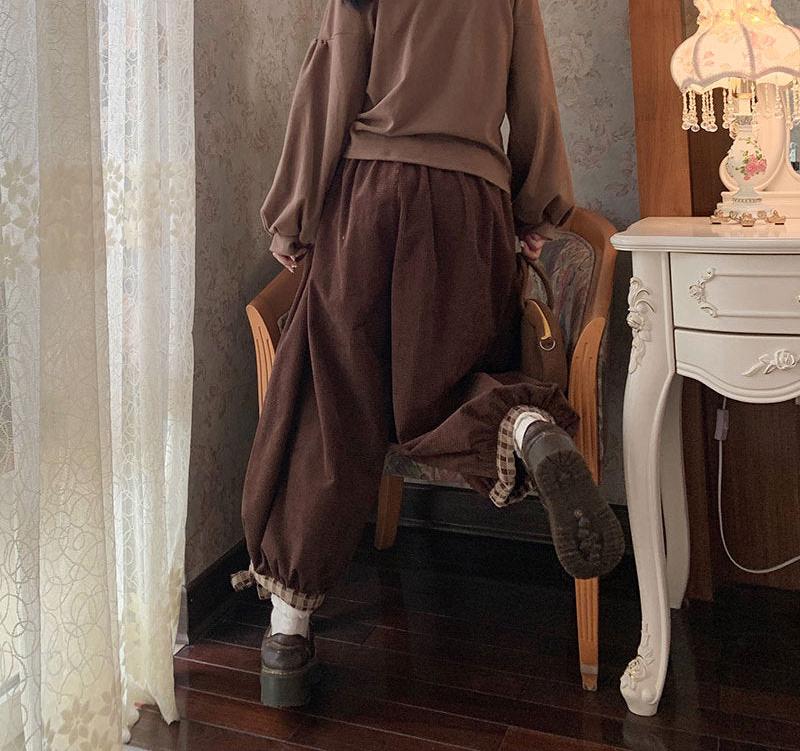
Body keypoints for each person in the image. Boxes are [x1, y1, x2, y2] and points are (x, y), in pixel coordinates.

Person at [232, 0, 624, 708]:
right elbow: (532, 90)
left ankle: (288, 632)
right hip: (472, 203)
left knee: (328, 392)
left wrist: (291, 214)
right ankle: (523, 424)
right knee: (447, 380)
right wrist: (534, 207)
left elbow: (333, 79)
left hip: (371, 198)